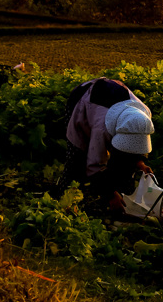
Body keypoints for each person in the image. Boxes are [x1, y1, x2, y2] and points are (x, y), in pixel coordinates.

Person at [60, 77, 154, 211]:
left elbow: (135, 142)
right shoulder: (102, 128)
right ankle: (64, 199)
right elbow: (94, 165)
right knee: (77, 158)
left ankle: (114, 190)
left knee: (124, 164)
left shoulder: (143, 117)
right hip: (82, 98)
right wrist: (110, 195)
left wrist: (140, 163)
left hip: (107, 100)